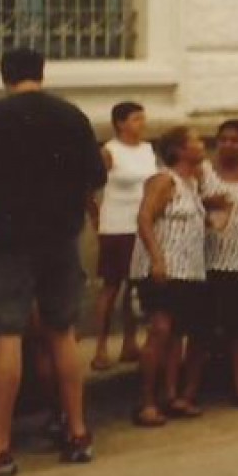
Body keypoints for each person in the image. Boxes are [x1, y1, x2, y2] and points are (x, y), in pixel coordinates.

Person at [0, 47, 106, 476]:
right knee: (63, 333)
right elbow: (94, 180)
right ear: (42, 73)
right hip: (61, 238)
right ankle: (78, 432)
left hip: (8, 241)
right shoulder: (72, 116)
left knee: (7, 337)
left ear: (4, 76)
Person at [183, 119, 238, 407]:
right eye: (223, 140)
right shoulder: (203, 172)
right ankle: (189, 390)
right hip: (207, 261)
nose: (228, 145)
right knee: (200, 329)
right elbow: (187, 205)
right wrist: (209, 203)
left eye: (235, 140)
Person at [129, 127, 210, 427]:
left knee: (177, 333)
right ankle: (146, 401)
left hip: (189, 269)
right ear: (179, 149)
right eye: (195, 141)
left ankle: (171, 394)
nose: (202, 144)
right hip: (162, 267)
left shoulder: (192, 183)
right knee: (160, 330)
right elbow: (144, 218)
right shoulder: (164, 180)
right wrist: (157, 258)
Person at [88, 100, 153, 371]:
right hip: (116, 225)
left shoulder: (148, 150)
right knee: (112, 286)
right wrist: (96, 217)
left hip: (144, 225)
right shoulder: (109, 151)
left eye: (143, 118)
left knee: (135, 285)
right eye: (136, 119)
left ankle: (130, 342)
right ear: (120, 123)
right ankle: (101, 347)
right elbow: (88, 188)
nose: (142, 124)